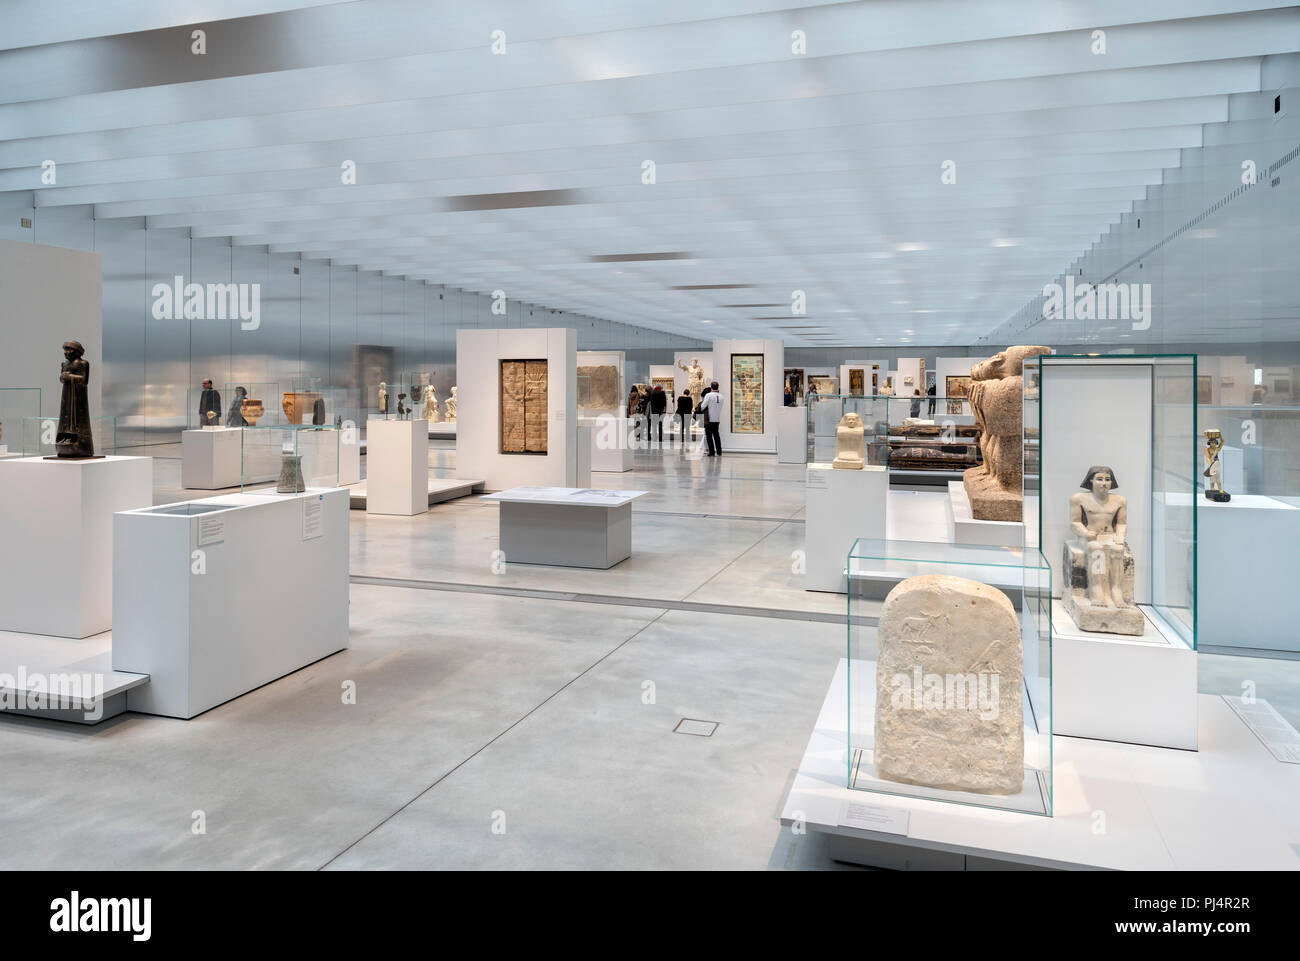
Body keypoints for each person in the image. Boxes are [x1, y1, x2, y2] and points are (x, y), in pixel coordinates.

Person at [701, 380, 723, 456]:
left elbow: (703, 406)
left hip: (709, 419)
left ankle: (712, 452)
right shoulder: (721, 396)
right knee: (716, 436)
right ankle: (719, 451)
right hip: (717, 418)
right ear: (718, 387)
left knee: (709, 436)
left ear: (711, 387)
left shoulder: (708, 395)